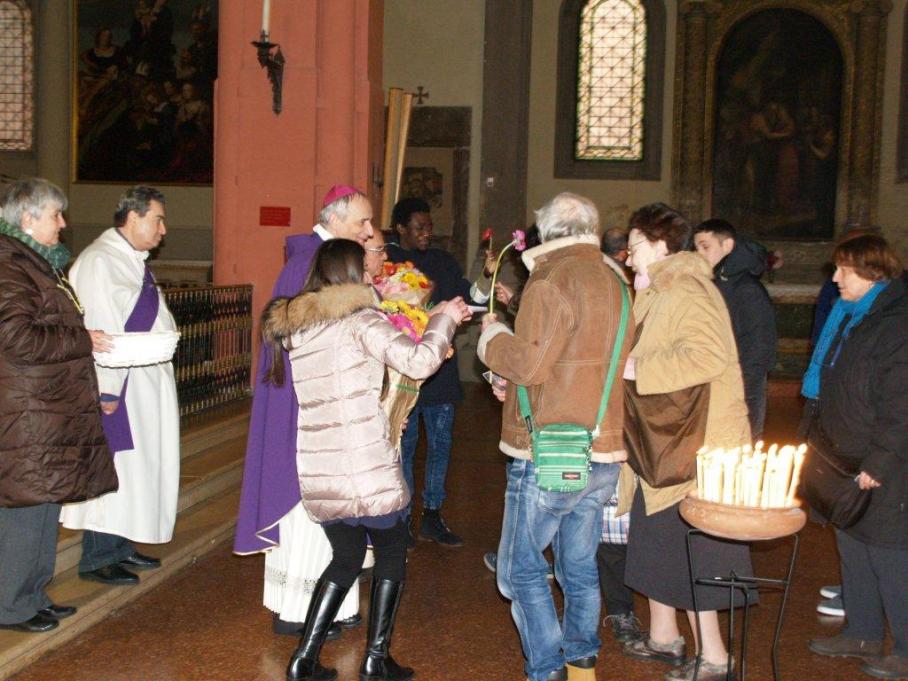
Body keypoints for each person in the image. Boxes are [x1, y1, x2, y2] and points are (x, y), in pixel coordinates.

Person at [261, 239, 471, 681]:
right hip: (365, 467)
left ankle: (304, 659)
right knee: (393, 551)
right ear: (353, 275)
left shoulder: (300, 330)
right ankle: (376, 659)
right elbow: (418, 362)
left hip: (321, 471)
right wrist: (442, 321)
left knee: (346, 557)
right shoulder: (360, 321)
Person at [479, 192, 632, 681]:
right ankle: (582, 662)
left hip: (549, 451)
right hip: (603, 445)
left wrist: (491, 339)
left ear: (547, 233)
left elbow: (531, 363)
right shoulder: (616, 279)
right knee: (580, 565)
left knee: (520, 570)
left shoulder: (551, 279)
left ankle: (547, 670)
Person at [620, 203, 753, 681]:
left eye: (633, 247)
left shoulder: (687, 287)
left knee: (694, 549)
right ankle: (663, 636)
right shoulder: (662, 288)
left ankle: (715, 657)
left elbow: (707, 355)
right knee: (657, 539)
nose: (627, 257)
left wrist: (636, 368)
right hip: (666, 440)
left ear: (660, 245)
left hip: (696, 445)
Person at [235, 185, 374, 637]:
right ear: (334, 221)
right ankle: (299, 610)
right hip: (305, 410)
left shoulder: (325, 257)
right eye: (362, 223)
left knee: (334, 512)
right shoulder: (307, 264)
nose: (370, 232)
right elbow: (307, 347)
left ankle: (335, 605)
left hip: (321, 407)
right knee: (307, 509)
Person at [0, 179, 118, 632]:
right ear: (28, 219)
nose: (63, 223)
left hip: (45, 409)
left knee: (45, 508)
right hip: (26, 414)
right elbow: (15, 338)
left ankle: (32, 596)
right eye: (56, 215)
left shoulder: (35, 264)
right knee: (26, 513)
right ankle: (11, 606)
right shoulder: (10, 266)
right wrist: (81, 340)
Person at [60, 186, 180, 586]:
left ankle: (120, 546)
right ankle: (97, 557)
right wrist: (107, 389)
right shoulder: (99, 261)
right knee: (114, 466)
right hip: (120, 385)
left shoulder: (128, 259)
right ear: (133, 218)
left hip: (142, 381)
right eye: (157, 219)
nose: (163, 229)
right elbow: (103, 329)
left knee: (135, 469)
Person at [803, 232, 908, 680]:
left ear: (872, 270)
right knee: (853, 547)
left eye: (844, 269)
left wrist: (878, 463)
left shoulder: (896, 324)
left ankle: (904, 650)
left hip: (882, 464)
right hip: (841, 456)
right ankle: (862, 632)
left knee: (890, 555)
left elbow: (901, 403)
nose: (836, 277)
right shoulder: (851, 315)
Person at [387, 197, 493, 547]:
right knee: (406, 443)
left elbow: (466, 297)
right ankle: (402, 517)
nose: (426, 233)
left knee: (440, 444)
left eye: (429, 226)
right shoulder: (388, 261)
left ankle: (433, 514)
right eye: (419, 227)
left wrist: (485, 278)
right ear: (401, 228)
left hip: (441, 371)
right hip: (404, 369)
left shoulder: (442, 261)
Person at [693, 219, 777, 439]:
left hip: (740, 390)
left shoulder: (747, 289)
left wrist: (739, 390)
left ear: (727, 245)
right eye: (697, 247)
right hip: (716, 384)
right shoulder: (714, 282)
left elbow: (759, 347)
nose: (699, 254)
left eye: (705, 246)